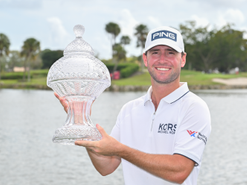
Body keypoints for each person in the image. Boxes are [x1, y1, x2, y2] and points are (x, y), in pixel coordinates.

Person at [55, 26, 211, 185]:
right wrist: (82, 122)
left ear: (183, 59)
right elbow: (106, 166)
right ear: (145, 59)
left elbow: (180, 170)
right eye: (155, 52)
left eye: (170, 52)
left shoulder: (194, 107)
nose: (162, 59)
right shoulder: (129, 110)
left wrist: (121, 150)